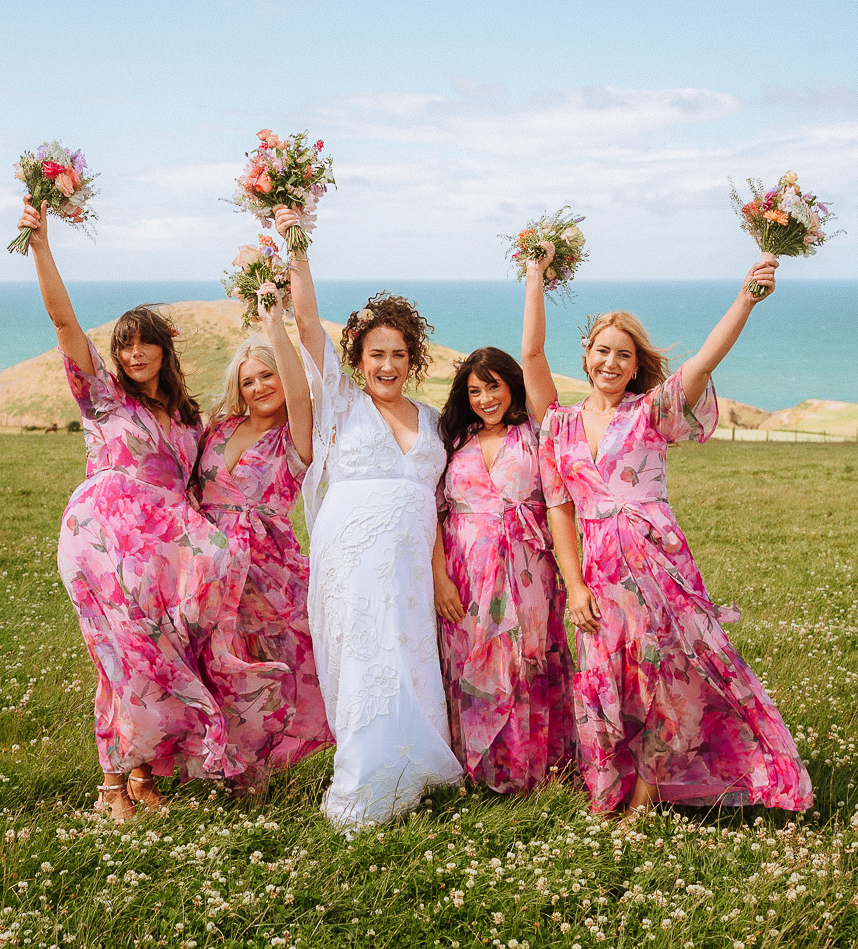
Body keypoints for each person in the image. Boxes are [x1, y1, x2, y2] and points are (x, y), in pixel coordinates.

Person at [524, 245, 813, 817]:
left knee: (669, 676)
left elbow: (704, 360)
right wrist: (534, 270)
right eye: (602, 351)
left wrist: (746, 297)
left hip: (659, 565)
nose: (610, 362)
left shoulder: (650, 411)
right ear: (586, 356)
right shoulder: (557, 425)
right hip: (600, 576)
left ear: (635, 366)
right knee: (605, 677)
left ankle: (647, 793)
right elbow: (559, 507)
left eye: (622, 356)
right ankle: (610, 785)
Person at [16, 198, 278, 820]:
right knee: (120, 650)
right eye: (125, 346)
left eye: (144, 345)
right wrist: (41, 245)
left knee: (159, 649)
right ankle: (114, 784)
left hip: (163, 545)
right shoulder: (103, 400)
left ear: (164, 350)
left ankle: (145, 770)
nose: (133, 355)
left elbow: (236, 446)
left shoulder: (189, 417)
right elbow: (65, 327)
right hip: (102, 535)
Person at [273, 204, 462, 827]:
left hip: (408, 562)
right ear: (358, 357)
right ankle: (362, 787)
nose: (387, 365)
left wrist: (438, 576)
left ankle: (414, 771)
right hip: (350, 557)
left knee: (409, 657)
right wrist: (295, 236)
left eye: (399, 354)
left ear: (414, 359)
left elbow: (435, 505)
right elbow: (304, 322)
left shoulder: (433, 421)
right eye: (376, 353)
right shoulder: (340, 403)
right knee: (361, 661)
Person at [194, 285, 331, 791]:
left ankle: (263, 768)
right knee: (218, 662)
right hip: (210, 568)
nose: (259, 387)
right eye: (248, 380)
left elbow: (301, 393)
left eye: (267, 374)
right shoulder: (219, 430)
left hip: (269, 569)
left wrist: (274, 321)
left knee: (279, 667)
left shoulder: (295, 437)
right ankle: (220, 764)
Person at [433, 347, 577, 792]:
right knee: (467, 665)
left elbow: (535, 352)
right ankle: (471, 773)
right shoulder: (454, 440)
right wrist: (440, 580)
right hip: (464, 575)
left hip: (527, 572)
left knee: (522, 663)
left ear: (512, 384)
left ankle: (525, 774)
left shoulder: (535, 433)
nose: (484, 398)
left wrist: (534, 275)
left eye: (493, 386)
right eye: (474, 390)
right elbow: (432, 513)